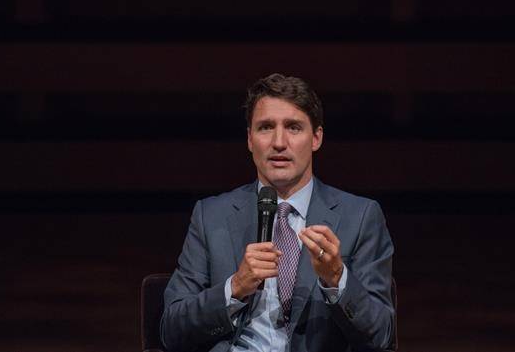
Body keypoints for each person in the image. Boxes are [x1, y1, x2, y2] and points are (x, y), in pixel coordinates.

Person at [160, 73, 395, 352]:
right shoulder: (211, 216)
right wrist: (234, 288)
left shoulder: (361, 216)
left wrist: (337, 279)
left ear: (316, 138)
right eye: (266, 127)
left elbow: (381, 334)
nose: (279, 142)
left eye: (294, 127)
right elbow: (171, 329)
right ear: (249, 139)